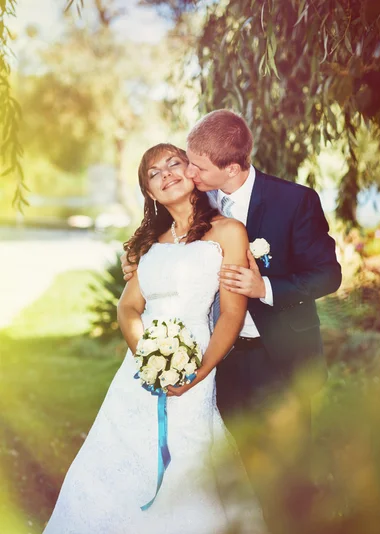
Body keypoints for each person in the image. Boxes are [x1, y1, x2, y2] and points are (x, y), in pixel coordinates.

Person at [36, 143, 266, 534]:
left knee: (190, 461)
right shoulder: (149, 246)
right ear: (151, 193)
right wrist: (148, 357)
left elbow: (233, 317)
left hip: (198, 368)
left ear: (191, 171)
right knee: (113, 464)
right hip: (138, 374)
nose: (166, 174)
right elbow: (128, 309)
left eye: (173, 163)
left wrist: (196, 374)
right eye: (153, 173)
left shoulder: (228, 232)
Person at [122, 110, 342, 433]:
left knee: (289, 471)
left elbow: (328, 275)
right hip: (220, 359)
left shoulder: (294, 201)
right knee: (233, 465)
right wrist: (134, 258)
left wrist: (264, 287)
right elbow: (160, 238)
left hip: (280, 355)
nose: (189, 170)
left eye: (198, 166)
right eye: (189, 160)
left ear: (232, 169)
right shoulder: (196, 197)